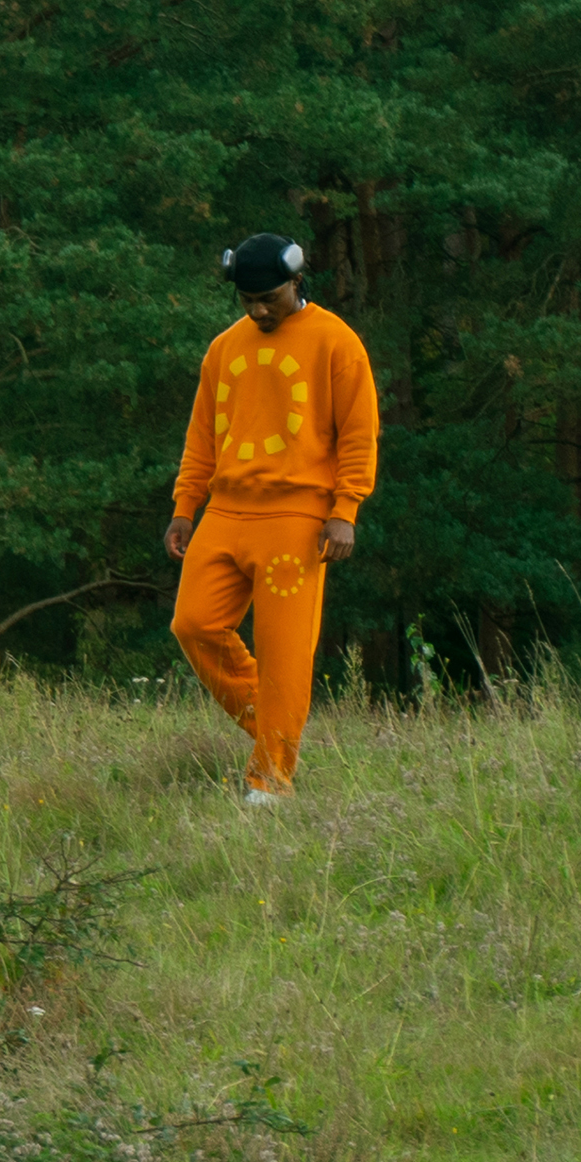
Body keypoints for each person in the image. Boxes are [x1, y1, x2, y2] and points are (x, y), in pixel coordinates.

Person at [166, 233, 380, 804]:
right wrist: (185, 507)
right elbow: (201, 437)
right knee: (193, 624)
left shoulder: (336, 342)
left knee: (285, 654)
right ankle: (275, 728)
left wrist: (345, 510)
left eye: (269, 298)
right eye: (248, 300)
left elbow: (358, 433)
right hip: (226, 509)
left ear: (296, 281)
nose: (259, 311)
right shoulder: (223, 349)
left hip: (298, 516)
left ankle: (271, 779)